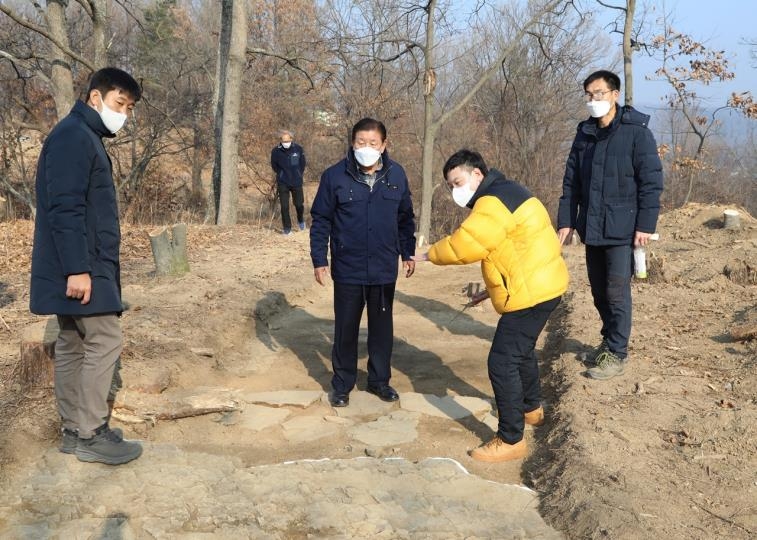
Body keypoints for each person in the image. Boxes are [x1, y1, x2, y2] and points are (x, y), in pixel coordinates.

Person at [413, 149, 568, 463]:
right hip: (543, 284)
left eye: (458, 182)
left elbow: (466, 245)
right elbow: (516, 249)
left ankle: (511, 439)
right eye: (451, 185)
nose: (456, 190)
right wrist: (490, 290)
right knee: (520, 352)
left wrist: (429, 255)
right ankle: (532, 409)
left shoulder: (491, 202)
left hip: (531, 294)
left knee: (501, 361)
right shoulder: (512, 191)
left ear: (477, 175)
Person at [30, 67, 143, 465]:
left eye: (129, 108)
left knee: (74, 343)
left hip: (82, 262)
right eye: (119, 103)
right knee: (104, 339)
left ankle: (73, 431)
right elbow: (66, 207)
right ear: (95, 97)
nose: (124, 114)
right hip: (82, 264)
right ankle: (91, 433)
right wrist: (78, 269)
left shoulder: (81, 135)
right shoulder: (74, 137)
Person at [557, 70, 663, 380]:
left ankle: (617, 352)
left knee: (617, 293)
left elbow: (651, 183)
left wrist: (644, 225)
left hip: (622, 228)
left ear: (615, 95)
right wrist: (566, 220)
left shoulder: (636, 133)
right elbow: (571, 182)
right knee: (599, 292)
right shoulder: (585, 133)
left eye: (599, 93)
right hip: (592, 227)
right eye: (589, 95)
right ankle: (608, 340)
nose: (594, 100)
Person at [310, 118, 416, 407]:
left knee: (382, 329)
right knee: (346, 328)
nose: (366, 148)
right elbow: (321, 219)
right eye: (360, 142)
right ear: (352, 143)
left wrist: (408, 252)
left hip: (383, 267)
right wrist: (319, 258)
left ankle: (380, 381)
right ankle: (342, 384)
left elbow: (405, 218)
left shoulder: (397, 175)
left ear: (383, 145)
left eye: (372, 143)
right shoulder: (335, 177)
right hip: (348, 267)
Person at [270, 129, 307, 235]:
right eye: (283, 141)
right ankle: (287, 229)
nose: (285, 143)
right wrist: (281, 173)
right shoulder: (276, 151)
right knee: (284, 206)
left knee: (299, 204)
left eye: (287, 141)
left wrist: (298, 173)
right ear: (280, 140)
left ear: (291, 139)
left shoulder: (298, 149)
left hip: (296, 181)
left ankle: (300, 220)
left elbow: (302, 164)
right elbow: (274, 165)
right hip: (283, 182)